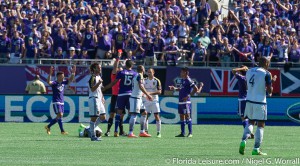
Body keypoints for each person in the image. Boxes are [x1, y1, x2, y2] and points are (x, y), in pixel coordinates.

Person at [239, 57, 276, 156]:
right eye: (268, 62)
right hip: (260, 102)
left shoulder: (249, 71)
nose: (269, 64)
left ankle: (243, 141)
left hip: (249, 100)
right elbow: (269, 90)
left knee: (250, 122)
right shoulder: (266, 73)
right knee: (261, 125)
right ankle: (256, 148)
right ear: (266, 63)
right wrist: (271, 84)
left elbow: (248, 86)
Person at [103, 60, 137, 137]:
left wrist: (105, 88)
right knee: (131, 113)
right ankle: (130, 132)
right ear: (131, 66)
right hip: (129, 94)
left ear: (125, 65)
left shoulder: (121, 73)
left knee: (119, 113)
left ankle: (117, 131)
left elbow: (113, 83)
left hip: (121, 94)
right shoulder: (135, 73)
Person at [44, 65, 76, 135]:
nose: (63, 77)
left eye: (63, 76)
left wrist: (73, 73)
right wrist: (50, 73)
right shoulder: (55, 83)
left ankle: (48, 126)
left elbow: (70, 79)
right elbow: (48, 82)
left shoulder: (64, 82)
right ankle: (62, 131)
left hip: (61, 101)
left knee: (59, 116)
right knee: (60, 114)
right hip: (56, 101)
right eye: (62, 76)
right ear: (58, 77)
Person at [169, 67, 198, 138]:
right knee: (182, 116)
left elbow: (196, 89)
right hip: (181, 101)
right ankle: (182, 133)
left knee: (188, 116)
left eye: (182, 72)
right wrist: (174, 88)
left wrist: (188, 96)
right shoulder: (183, 80)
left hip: (186, 102)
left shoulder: (189, 80)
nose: (180, 73)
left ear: (185, 72)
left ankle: (190, 133)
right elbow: (182, 89)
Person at [128, 65, 153, 138]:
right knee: (134, 115)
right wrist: (148, 94)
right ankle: (130, 133)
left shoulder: (136, 75)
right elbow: (140, 86)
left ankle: (142, 131)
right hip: (135, 98)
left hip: (138, 98)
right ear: (142, 69)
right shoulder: (140, 75)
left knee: (144, 113)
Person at [232, 66, 254, 138]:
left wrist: (241, 68)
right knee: (248, 117)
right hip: (249, 99)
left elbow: (233, 70)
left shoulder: (241, 78)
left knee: (242, 117)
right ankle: (250, 132)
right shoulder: (249, 78)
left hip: (242, 99)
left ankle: (248, 133)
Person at [104, 52, 123, 137]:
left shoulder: (123, 77)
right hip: (115, 96)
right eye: (120, 69)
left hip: (122, 96)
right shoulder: (114, 75)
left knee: (121, 115)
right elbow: (115, 66)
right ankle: (108, 131)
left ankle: (121, 131)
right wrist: (118, 58)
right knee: (112, 114)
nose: (121, 70)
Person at [88, 63, 106, 141]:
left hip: (99, 99)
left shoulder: (99, 77)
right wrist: (98, 83)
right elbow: (92, 89)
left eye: (100, 67)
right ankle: (93, 135)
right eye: (98, 68)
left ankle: (90, 129)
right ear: (94, 69)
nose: (100, 69)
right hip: (94, 98)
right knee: (94, 118)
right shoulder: (93, 77)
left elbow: (100, 90)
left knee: (103, 117)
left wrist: (102, 97)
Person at [142, 68, 162, 137]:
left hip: (154, 100)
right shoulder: (144, 80)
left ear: (153, 73)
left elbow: (159, 91)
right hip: (146, 100)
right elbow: (142, 89)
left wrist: (150, 93)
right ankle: (146, 131)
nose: (149, 73)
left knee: (156, 115)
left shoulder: (157, 80)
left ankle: (158, 132)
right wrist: (144, 94)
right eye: (148, 72)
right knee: (145, 115)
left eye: (150, 72)